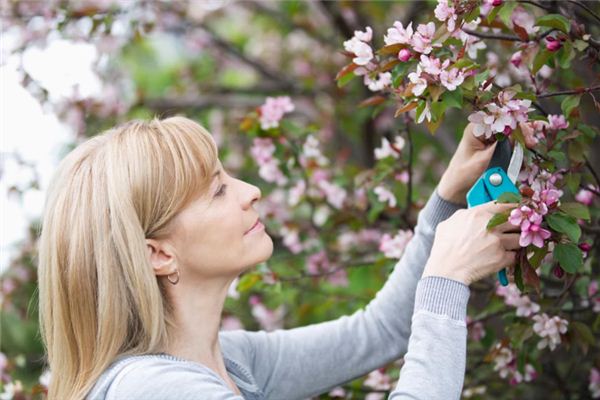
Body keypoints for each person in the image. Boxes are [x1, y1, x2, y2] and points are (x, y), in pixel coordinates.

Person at [37, 116, 520, 400]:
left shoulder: (230, 361)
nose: (251, 191)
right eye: (218, 190)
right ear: (158, 254)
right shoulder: (155, 390)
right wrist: (447, 280)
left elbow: (380, 331)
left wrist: (447, 198)